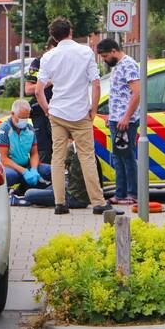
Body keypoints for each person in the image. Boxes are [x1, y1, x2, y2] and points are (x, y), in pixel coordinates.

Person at [35, 17, 110, 215]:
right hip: (80, 113)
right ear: (70, 31)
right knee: (86, 157)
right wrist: (93, 110)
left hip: (58, 112)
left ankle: (60, 203)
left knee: (57, 158)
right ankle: (98, 202)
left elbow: (38, 90)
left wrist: (47, 109)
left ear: (53, 36)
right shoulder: (85, 52)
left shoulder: (48, 57)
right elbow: (95, 83)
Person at [96, 38, 140, 205]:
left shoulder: (128, 65)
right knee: (118, 157)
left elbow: (136, 93)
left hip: (125, 121)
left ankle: (131, 193)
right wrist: (112, 115)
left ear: (114, 51)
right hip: (118, 119)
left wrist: (126, 117)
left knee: (127, 157)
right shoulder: (118, 66)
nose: (105, 60)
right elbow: (118, 95)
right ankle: (120, 193)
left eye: (106, 56)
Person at [0, 99, 52, 191]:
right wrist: (24, 171)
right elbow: (3, 159)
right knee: (10, 176)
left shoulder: (30, 129)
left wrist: (33, 169)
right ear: (12, 114)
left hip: (26, 165)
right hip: (9, 167)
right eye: (21, 118)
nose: (24, 121)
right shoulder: (4, 130)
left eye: (26, 118)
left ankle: (23, 189)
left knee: (50, 170)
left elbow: (34, 153)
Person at [25, 37, 58, 164]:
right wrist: (50, 81)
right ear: (48, 48)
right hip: (41, 113)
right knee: (44, 150)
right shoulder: (38, 63)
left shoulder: (64, 62)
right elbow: (29, 89)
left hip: (59, 110)